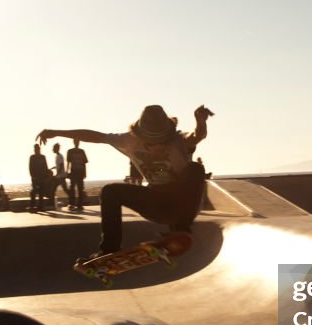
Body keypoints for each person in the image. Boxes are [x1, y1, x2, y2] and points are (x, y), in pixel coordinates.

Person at [37, 104, 212, 256]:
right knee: (110, 191)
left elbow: (198, 135)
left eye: (161, 141)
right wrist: (57, 132)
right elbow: (96, 136)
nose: (157, 145)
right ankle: (110, 249)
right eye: (152, 142)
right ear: (141, 135)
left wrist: (200, 121)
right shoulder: (129, 141)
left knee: (195, 169)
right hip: (156, 204)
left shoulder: (178, 140)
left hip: (183, 203)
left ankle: (181, 230)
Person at [66, 139, 89, 210]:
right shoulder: (70, 151)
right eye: (76, 142)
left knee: (80, 188)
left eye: (78, 142)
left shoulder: (82, 151)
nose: (77, 143)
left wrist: (85, 173)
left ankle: (80, 205)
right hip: (73, 172)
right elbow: (68, 162)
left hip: (80, 172)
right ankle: (71, 203)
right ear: (74, 142)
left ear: (79, 143)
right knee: (72, 188)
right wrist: (67, 171)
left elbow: (84, 163)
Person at [28, 143, 51, 212]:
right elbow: (30, 167)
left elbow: (45, 167)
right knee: (34, 192)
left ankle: (41, 207)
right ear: (34, 149)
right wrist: (32, 176)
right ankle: (32, 206)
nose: (36, 150)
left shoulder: (43, 157)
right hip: (35, 178)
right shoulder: (32, 157)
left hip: (42, 178)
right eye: (35, 149)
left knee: (41, 193)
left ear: (39, 149)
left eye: (37, 149)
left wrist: (46, 176)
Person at [51, 142, 69, 208]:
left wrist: (57, 174)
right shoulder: (57, 156)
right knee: (54, 189)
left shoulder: (60, 156)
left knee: (64, 189)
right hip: (59, 176)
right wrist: (54, 167)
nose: (53, 149)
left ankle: (72, 200)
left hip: (61, 177)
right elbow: (58, 165)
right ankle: (53, 203)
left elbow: (61, 166)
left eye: (54, 148)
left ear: (57, 148)